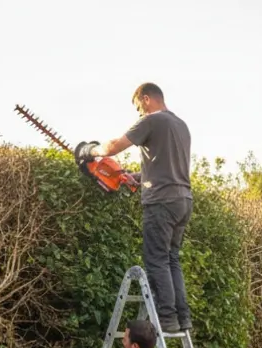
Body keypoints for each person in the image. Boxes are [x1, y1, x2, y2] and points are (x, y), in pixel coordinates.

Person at [80, 83, 193, 334]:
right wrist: (138, 176)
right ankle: (182, 317)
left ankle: (166, 319)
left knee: (157, 260)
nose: (138, 112)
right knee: (172, 258)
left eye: (138, 106)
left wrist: (89, 150)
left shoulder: (151, 120)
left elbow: (112, 147)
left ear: (146, 99)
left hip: (161, 202)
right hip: (183, 200)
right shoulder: (181, 125)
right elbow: (167, 165)